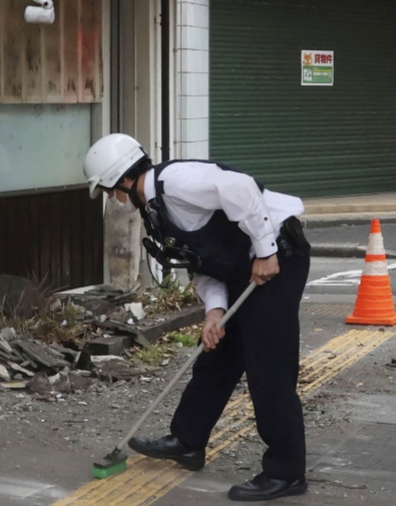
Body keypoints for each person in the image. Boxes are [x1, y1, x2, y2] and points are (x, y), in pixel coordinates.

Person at [82, 133, 311, 502]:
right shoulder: (157, 209)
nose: (114, 199)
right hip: (243, 266)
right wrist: (214, 311)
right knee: (217, 354)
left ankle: (286, 472)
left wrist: (267, 251)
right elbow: (204, 260)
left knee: (269, 365)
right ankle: (188, 441)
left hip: (278, 257)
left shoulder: (175, 182)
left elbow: (240, 187)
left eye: (111, 191)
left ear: (123, 179)